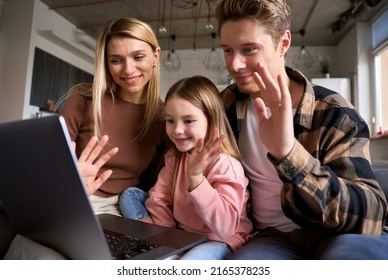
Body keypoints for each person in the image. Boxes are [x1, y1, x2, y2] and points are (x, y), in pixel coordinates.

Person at [215, 0, 388, 259]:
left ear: (283, 43)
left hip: (334, 233)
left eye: (249, 49)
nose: (235, 65)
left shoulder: (333, 111)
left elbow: (371, 213)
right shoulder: (225, 105)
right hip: (269, 237)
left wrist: (288, 153)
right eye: (228, 50)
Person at [121, 76, 253, 260]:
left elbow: (226, 227)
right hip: (182, 235)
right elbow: (160, 199)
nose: (177, 130)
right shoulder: (174, 158)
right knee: (130, 195)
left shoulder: (225, 164)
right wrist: (165, 239)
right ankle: (162, 247)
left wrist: (196, 176)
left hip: (217, 239)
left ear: (211, 120)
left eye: (188, 121)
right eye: (170, 121)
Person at [59, 17, 167, 217]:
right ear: (106, 63)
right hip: (72, 199)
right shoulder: (82, 101)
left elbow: (160, 182)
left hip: (122, 209)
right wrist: (69, 179)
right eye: (116, 60)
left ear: (155, 56)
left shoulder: (164, 118)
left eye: (138, 57)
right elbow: (46, 168)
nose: (128, 69)